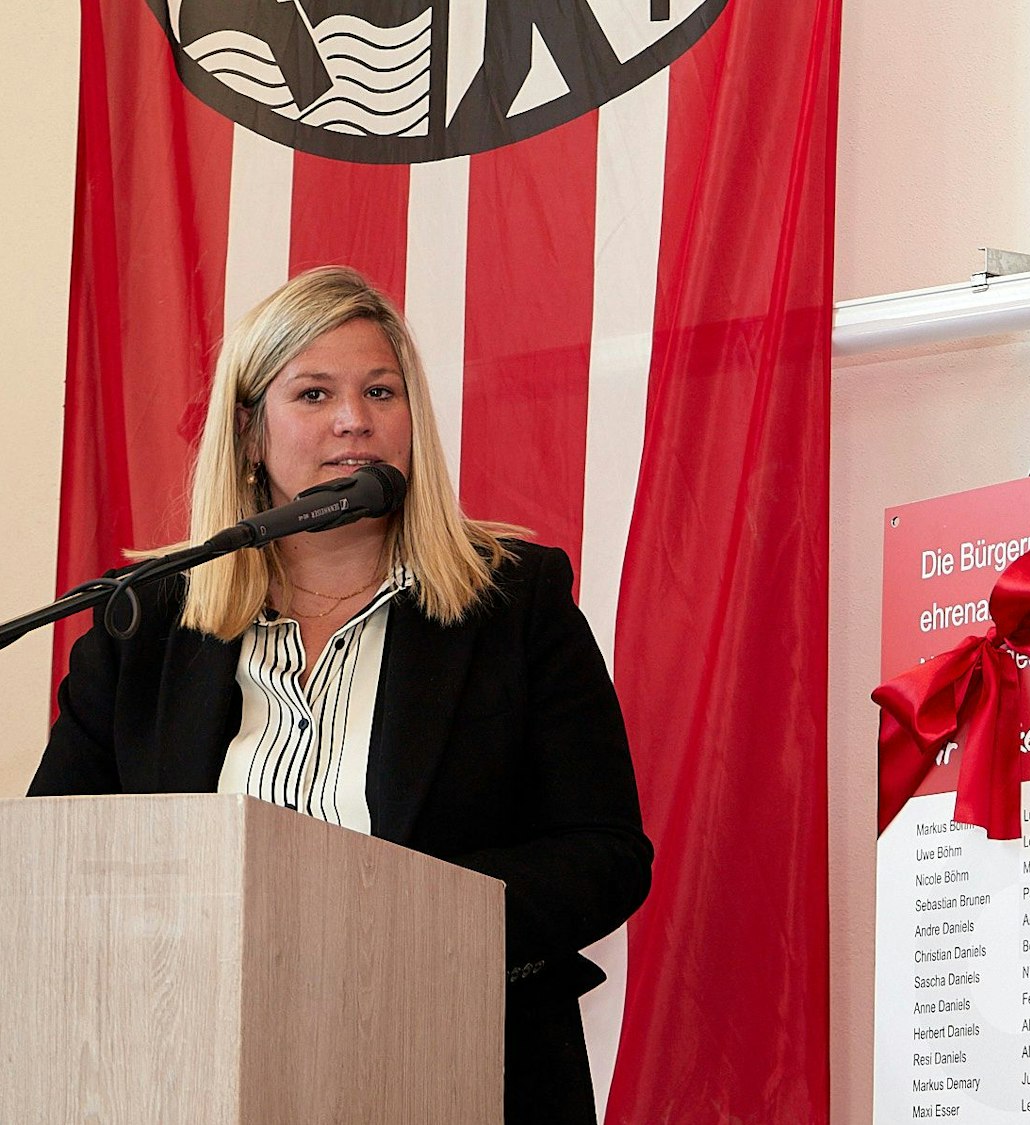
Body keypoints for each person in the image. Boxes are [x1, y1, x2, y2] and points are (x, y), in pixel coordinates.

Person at [29, 266, 652, 1124]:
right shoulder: (149, 625)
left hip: (451, 1063)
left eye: (380, 390)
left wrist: (389, 918)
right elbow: (61, 861)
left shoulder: (514, 603)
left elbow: (604, 852)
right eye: (314, 393)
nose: (354, 418)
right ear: (250, 434)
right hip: (182, 1072)